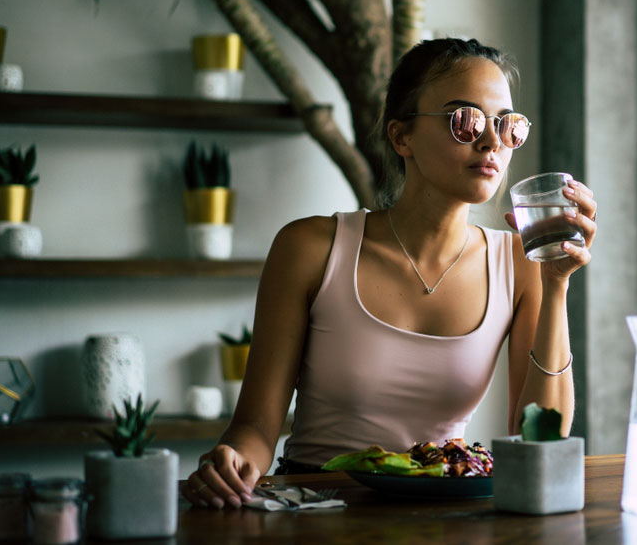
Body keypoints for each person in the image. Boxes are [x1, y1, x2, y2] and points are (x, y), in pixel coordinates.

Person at [181, 38, 598, 509]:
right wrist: (232, 463)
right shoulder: (310, 248)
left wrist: (556, 284)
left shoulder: (520, 262)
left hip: (445, 513)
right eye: (466, 120)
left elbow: (541, 439)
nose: (490, 142)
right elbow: (256, 427)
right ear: (402, 138)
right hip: (317, 506)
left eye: (508, 126)